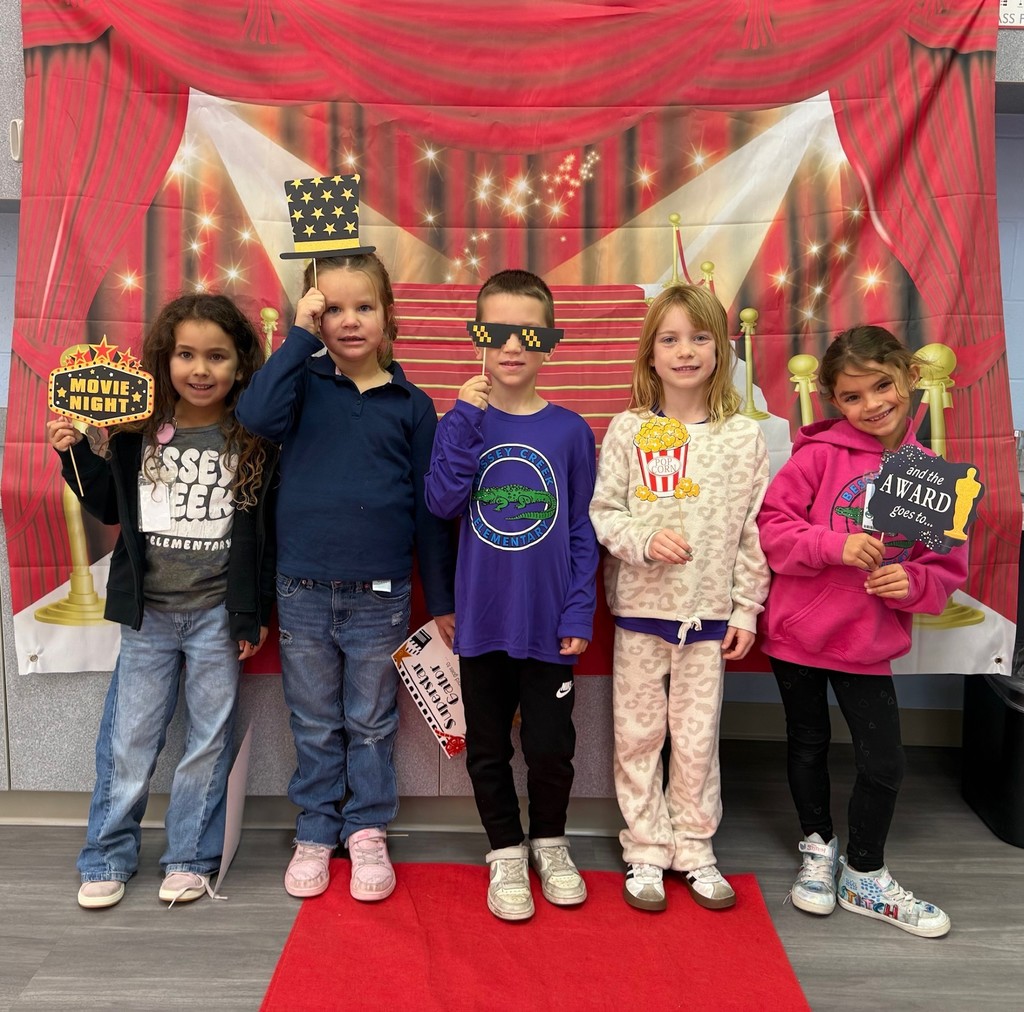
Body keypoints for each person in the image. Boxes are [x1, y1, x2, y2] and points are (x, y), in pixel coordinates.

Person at [236, 253, 455, 902]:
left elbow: (428, 510)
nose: (349, 320)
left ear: (389, 315)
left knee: (369, 720)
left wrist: (440, 599)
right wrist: (297, 337)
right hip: (300, 587)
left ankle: (365, 831)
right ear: (312, 315)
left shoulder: (412, 405)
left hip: (380, 595)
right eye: (331, 308)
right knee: (312, 720)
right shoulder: (299, 384)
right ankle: (314, 830)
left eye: (364, 307)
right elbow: (254, 417)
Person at [47, 293, 276, 909]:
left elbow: (262, 538)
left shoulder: (252, 438)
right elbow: (106, 507)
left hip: (216, 618)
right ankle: (106, 855)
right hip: (148, 614)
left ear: (240, 364)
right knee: (129, 739)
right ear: (164, 359)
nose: (200, 369)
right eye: (186, 354)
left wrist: (251, 613)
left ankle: (191, 856)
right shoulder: (136, 433)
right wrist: (73, 454)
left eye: (217, 356)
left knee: (208, 739)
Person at [758, 324, 967, 938]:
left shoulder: (934, 476)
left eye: (882, 386)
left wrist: (915, 585)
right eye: (852, 396)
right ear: (834, 401)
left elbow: (943, 570)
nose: (872, 404)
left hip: (867, 642)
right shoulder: (817, 455)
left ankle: (865, 874)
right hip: (797, 634)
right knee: (807, 743)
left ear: (907, 378)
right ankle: (818, 850)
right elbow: (772, 532)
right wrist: (834, 545)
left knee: (884, 762)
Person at [425, 269, 599, 921]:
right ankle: (504, 850)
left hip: (551, 625)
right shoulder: (459, 423)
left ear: (549, 343)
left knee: (552, 745)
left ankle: (549, 842)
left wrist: (579, 608)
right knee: (489, 747)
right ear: (478, 339)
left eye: (527, 332)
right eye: (495, 331)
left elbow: (582, 527)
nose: (511, 346)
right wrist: (467, 417)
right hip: (481, 623)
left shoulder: (572, 432)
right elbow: (441, 501)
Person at [589, 284, 769, 913]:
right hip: (641, 612)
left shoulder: (744, 438)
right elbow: (604, 514)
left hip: (709, 618)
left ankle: (695, 847)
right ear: (651, 353)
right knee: (638, 734)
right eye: (670, 338)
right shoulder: (629, 429)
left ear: (720, 349)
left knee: (696, 740)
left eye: (698, 338)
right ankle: (645, 847)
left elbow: (752, 530)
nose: (685, 351)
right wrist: (643, 538)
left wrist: (746, 606)